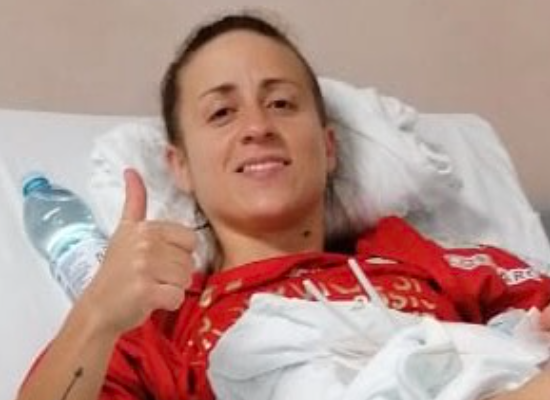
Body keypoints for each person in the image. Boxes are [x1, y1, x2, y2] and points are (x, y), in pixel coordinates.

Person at [16, 12, 550, 400]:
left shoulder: (414, 257)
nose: (257, 127)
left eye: (281, 103)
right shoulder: (164, 321)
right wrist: (97, 314)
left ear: (329, 146)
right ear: (180, 166)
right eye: (222, 112)